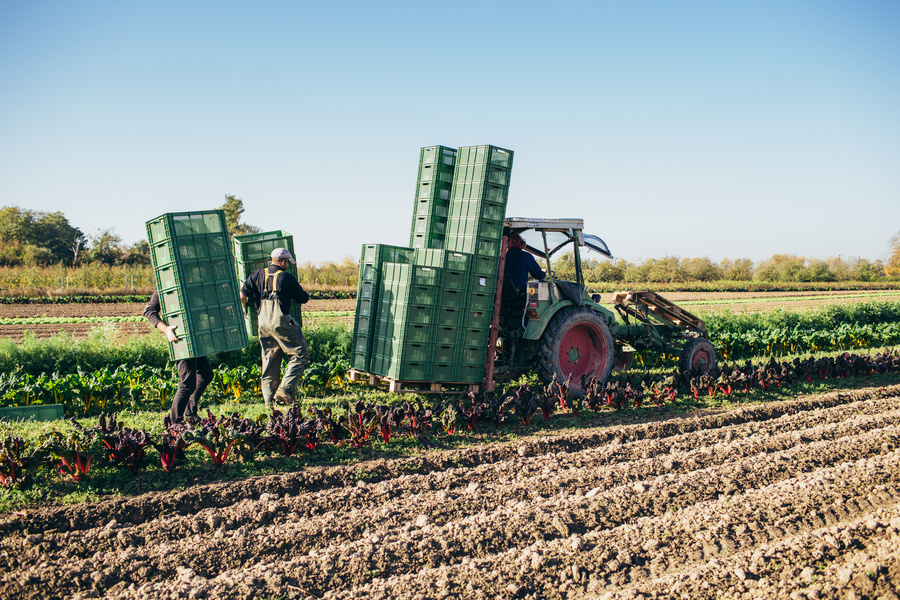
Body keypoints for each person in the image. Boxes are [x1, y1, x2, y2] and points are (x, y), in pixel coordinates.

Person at [240, 247, 310, 408]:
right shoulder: (286, 277)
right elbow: (303, 298)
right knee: (300, 353)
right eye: (287, 262)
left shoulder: (256, 275)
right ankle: (285, 390)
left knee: (269, 360)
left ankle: (268, 400)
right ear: (283, 262)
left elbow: (242, 296)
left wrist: (245, 310)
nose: (287, 265)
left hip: (263, 324)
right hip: (281, 323)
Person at [143, 291, 213, 423]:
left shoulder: (193, 283)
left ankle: (189, 412)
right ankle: (174, 424)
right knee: (187, 384)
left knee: (206, 374)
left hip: (196, 338)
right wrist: (165, 329)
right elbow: (149, 311)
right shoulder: (164, 288)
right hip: (181, 339)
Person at [501, 233, 546, 323]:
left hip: (504, 292)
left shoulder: (503, 257)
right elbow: (539, 275)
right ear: (522, 244)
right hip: (519, 291)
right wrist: (544, 273)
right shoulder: (527, 257)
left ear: (508, 245)